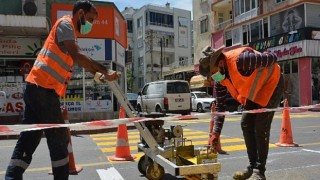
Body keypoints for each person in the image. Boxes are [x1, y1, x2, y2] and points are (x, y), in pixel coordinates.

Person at [5, 1, 119, 180]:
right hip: (43, 90)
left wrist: (100, 75)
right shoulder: (65, 25)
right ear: (80, 14)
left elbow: (81, 61)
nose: (91, 24)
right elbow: (78, 57)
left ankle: (12, 177)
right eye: (90, 19)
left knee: (29, 138)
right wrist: (106, 70)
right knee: (59, 139)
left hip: (36, 88)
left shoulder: (69, 33)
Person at [199, 46, 284, 180]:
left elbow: (273, 58)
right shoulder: (220, 81)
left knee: (260, 126)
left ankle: (259, 172)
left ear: (220, 63)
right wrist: (215, 134)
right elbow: (220, 108)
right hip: (256, 91)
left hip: (272, 83)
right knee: (246, 123)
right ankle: (252, 166)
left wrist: (266, 54)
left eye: (213, 73)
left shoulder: (242, 60)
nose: (213, 78)